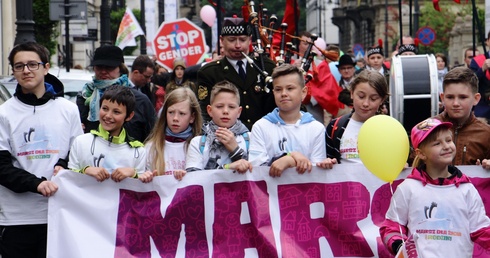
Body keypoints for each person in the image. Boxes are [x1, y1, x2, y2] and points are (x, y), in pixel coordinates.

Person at [0, 42, 83, 257]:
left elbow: (78, 158)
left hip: (60, 214)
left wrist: (63, 166)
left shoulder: (69, 110)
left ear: (45, 68)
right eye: (19, 66)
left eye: (32, 64)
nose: (26, 70)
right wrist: (37, 184)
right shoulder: (4, 114)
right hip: (17, 218)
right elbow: (2, 168)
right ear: (13, 72)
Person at [380, 118, 490, 256]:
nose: (446, 146)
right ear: (421, 153)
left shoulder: (467, 189)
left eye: (448, 140)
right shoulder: (408, 188)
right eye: (437, 143)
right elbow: (391, 227)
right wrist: (399, 247)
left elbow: (481, 230)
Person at [197, 16, 276, 130]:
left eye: (243, 40)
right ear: (221, 40)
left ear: (250, 40)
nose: (238, 45)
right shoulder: (209, 73)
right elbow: (204, 112)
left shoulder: (266, 67)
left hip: (265, 135)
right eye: (232, 40)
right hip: (227, 136)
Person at [249, 64, 326, 177]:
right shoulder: (260, 126)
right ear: (273, 92)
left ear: (304, 92)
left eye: (290, 88)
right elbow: (257, 170)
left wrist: (290, 160)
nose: (284, 93)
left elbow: (316, 171)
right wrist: (293, 157)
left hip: (305, 192)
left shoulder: (316, 128)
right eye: (278, 89)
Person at [69, 86, 153, 183]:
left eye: (116, 112)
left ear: (129, 116)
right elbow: (68, 179)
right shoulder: (80, 142)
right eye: (105, 108)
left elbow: (139, 191)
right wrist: (84, 171)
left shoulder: (138, 151)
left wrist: (134, 174)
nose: (108, 116)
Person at [77, 45, 156, 142]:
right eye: (99, 67)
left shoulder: (140, 100)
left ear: (121, 68)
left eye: (109, 67)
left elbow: (152, 137)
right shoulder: (85, 96)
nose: (103, 71)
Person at [186, 81, 252, 173]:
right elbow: (193, 181)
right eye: (220, 106)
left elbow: (257, 173)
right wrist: (227, 167)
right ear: (209, 110)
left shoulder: (250, 138)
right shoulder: (198, 143)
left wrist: (235, 150)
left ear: (239, 112)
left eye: (231, 107)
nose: (225, 111)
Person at [324, 70, 389, 164]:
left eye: (373, 99)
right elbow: (328, 158)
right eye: (361, 96)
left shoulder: (389, 129)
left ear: (382, 100)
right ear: (352, 93)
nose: (366, 104)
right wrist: (327, 163)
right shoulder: (335, 127)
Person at [434, 67, 490, 167]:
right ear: (442, 98)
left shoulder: (486, 134)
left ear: (476, 99)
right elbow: (413, 163)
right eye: (450, 97)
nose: (455, 103)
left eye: (463, 97)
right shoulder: (428, 129)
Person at [145, 87, 203, 180]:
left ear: (192, 117)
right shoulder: (151, 147)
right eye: (171, 112)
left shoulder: (200, 147)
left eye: (182, 113)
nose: (175, 118)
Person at [469, 32, 490, 122]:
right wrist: (482, 69)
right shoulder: (477, 61)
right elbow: (470, 82)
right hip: (483, 109)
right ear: (488, 42)